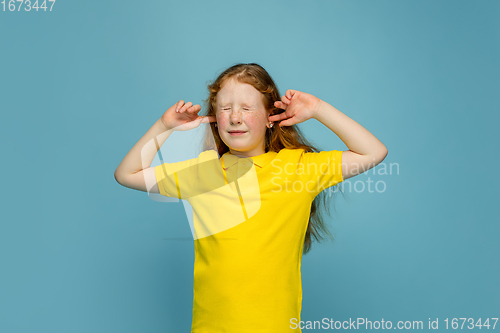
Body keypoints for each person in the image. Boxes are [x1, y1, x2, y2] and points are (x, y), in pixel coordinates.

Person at [114, 63, 388, 332]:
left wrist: (318, 109)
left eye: (246, 108)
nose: (235, 117)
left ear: (271, 116)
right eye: (225, 108)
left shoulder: (299, 168)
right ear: (215, 117)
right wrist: (164, 126)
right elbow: (127, 174)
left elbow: (372, 152)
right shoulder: (201, 173)